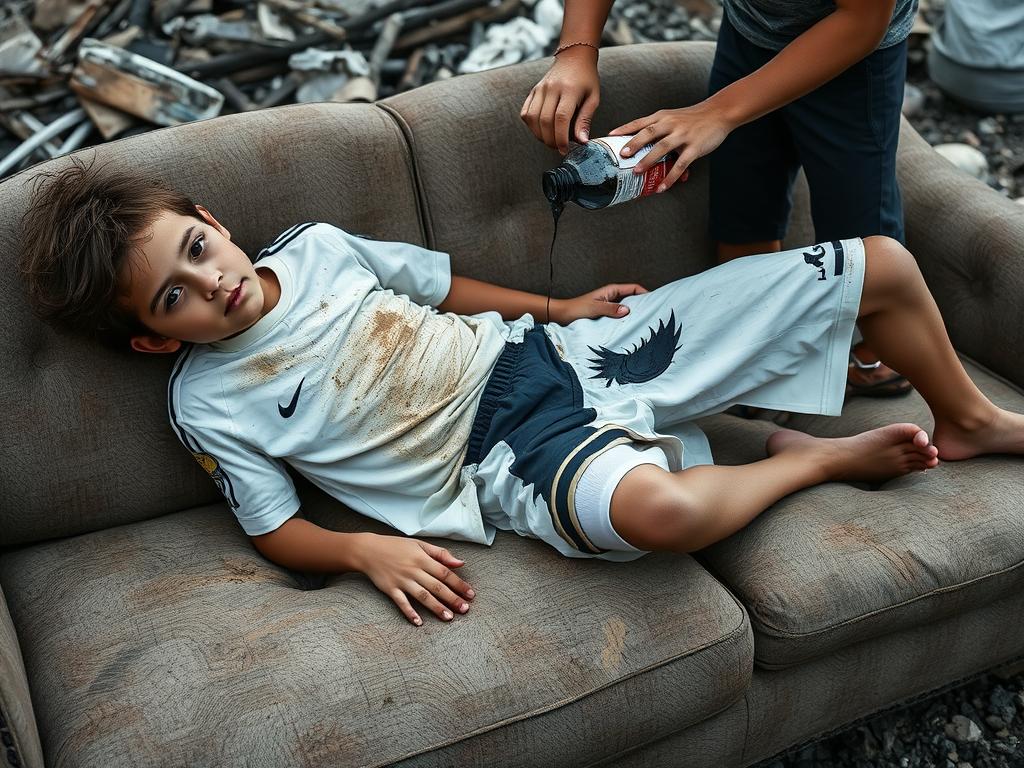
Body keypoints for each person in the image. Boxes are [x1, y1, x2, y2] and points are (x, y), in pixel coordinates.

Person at [19, 159, 1024, 628]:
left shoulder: (319, 251)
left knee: (877, 264)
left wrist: (560, 304)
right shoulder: (208, 404)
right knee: (665, 512)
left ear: (210, 215)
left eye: (198, 249)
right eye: (176, 298)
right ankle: (818, 461)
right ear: (155, 338)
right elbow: (272, 527)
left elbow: (437, 284)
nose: (211, 283)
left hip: (565, 356)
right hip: (507, 460)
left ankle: (969, 418)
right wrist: (364, 549)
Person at [521, 0, 919, 398]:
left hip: (855, 54)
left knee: (859, 232)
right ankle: (761, 359)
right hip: (751, 28)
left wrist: (718, 113)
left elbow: (862, 21)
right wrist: (576, 51)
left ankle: (874, 355)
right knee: (742, 209)